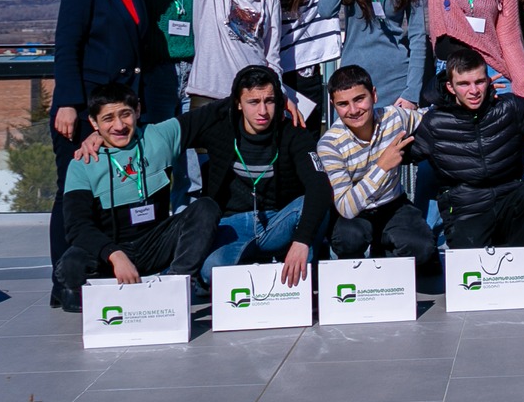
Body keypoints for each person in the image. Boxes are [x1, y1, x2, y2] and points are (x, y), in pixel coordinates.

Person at [78, 63, 333, 285]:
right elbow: (156, 136)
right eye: (253, 102)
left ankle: (299, 269)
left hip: (277, 220)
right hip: (232, 226)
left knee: (314, 203)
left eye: (269, 101)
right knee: (212, 272)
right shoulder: (217, 125)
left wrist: (301, 241)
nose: (263, 111)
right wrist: (103, 133)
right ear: (238, 103)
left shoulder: (294, 133)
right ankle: (260, 262)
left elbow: (319, 186)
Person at [50, 0, 162, 292]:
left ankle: (101, 273)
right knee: (74, 194)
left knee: (108, 190)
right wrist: (69, 104)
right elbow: (67, 47)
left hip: (118, 111)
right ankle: (65, 280)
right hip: (82, 109)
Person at [53, 83, 219, 313]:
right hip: (112, 252)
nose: (119, 126)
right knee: (70, 265)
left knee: (205, 208)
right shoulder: (82, 164)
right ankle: (103, 301)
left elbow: (213, 113)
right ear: (93, 123)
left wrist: (278, 93)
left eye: (125, 115)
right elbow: (76, 227)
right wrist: (115, 255)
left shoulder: (159, 136)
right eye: (108, 118)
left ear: (138, 111)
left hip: (156, 244)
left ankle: (175, 286)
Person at [409, 45, 524, 248]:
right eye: (464, 84)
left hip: (508, 199)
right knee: (472, 267)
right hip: (466, 209)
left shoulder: (508, 108)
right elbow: (404, 152)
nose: (474, 91)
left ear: (488, 80)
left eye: (479, 82)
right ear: (450, 87)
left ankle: (514, 259)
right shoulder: (434, 123)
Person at [316, 65, 439, 289]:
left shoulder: (394, 117)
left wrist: (468, 99)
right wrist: (382, 167)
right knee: (348, 239)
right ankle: (355, 273)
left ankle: (386, 248)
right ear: (333, 105)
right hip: (356, 212)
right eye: (343, 104)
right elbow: (345, 207)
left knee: (423, 249)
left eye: (359, 99)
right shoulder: (329, 144)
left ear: (374, 95)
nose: (353, 110)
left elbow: (429, 118)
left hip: (393, 204)